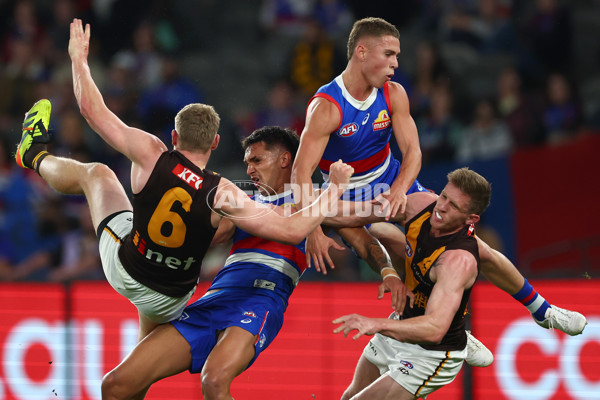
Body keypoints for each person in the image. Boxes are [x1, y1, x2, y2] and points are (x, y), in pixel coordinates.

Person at [15, 18, 353, 342]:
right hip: (171, 297)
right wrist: (332, 191)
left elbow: (91, 110)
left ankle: (33, 155)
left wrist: (78, 60)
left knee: (97, 174)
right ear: (215, 143)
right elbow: (293, 230)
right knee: (140, 366)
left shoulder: (152, 152)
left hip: (130, 269)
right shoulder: (223, 192)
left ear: (175, 137)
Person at [291, 16, 587, 346]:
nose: (396, 64)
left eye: (398, 56)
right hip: (344, 196)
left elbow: (414, 152)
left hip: (391, 184)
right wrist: (313, 230)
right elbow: (300, 174)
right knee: (390, 244)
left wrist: (399, 190)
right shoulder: (326, 106)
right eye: (389, 54)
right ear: (361, 52)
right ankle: (451, 328)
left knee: (472, 245)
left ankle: (542, 310)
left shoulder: (394, 94)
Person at [100, 126, 403, 400]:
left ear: (285, 160)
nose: (249, 169)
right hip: (214, 299)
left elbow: (366, 241)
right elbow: (210, 235)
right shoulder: (243, 199)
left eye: (257, 160)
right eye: (247, 162)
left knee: (214, 381)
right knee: (115, 385)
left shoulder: (316, 202)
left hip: (260, 300)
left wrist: (388, 271)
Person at [331, 168, 495, 399]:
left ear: (471, 219)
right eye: (444, 197)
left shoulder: (458, 260)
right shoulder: (422, 205)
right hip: (404, 323)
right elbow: (352, 216)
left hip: (432, 353)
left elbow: (434, 329)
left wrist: (375, 324)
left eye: (454, 206)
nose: (442, 207)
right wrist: (302, 218)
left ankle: (463, 337)